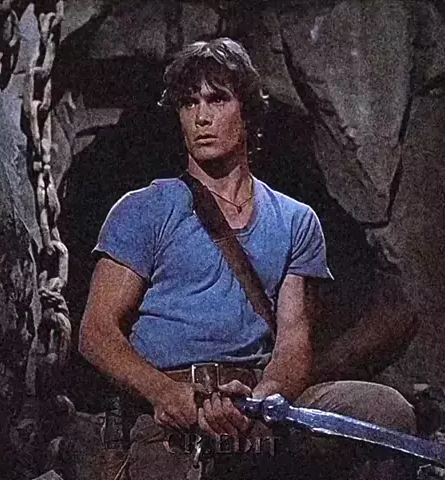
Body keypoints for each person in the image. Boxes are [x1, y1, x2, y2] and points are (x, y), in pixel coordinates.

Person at [79, 37, 416, 480]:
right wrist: (162, 392)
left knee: (383, 412)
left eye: (217, 99)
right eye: (188, 103)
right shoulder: (145, 209)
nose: (201, 116)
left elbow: (294, 342)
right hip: (173, 411)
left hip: (259, 403)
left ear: (247, 111)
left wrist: (265, 398)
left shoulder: (295, 220)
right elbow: (96, 332)